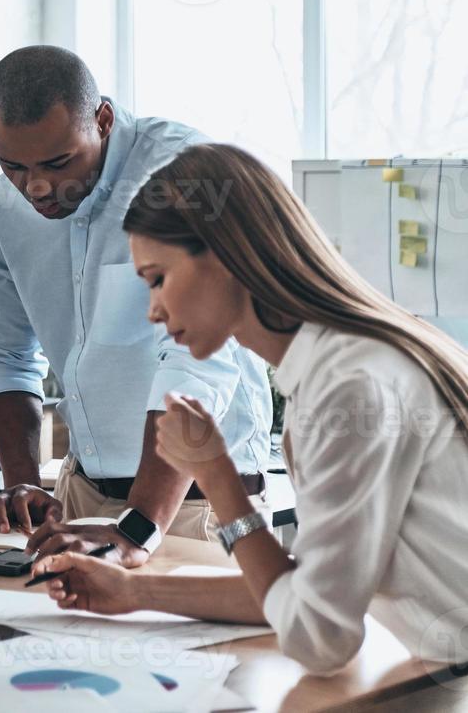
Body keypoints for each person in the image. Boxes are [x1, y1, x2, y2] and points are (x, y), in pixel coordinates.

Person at [32, 143, 468, 673]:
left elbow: (320, 639)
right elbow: (299, 593)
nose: (153, 310)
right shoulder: (340, 366)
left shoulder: (349, 388)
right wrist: (133, 591)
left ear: (225, 257)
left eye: (158, 279)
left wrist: (218, 479)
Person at [0, 46, 273, 567]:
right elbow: (6, 352)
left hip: (194, 506)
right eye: (13, 165)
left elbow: (195, 366)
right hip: (81, 494)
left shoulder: (182, 175)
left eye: (58, 162)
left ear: (103, 120)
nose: (36, 186)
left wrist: (137, 528)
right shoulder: (6, 205)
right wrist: (21, 485)